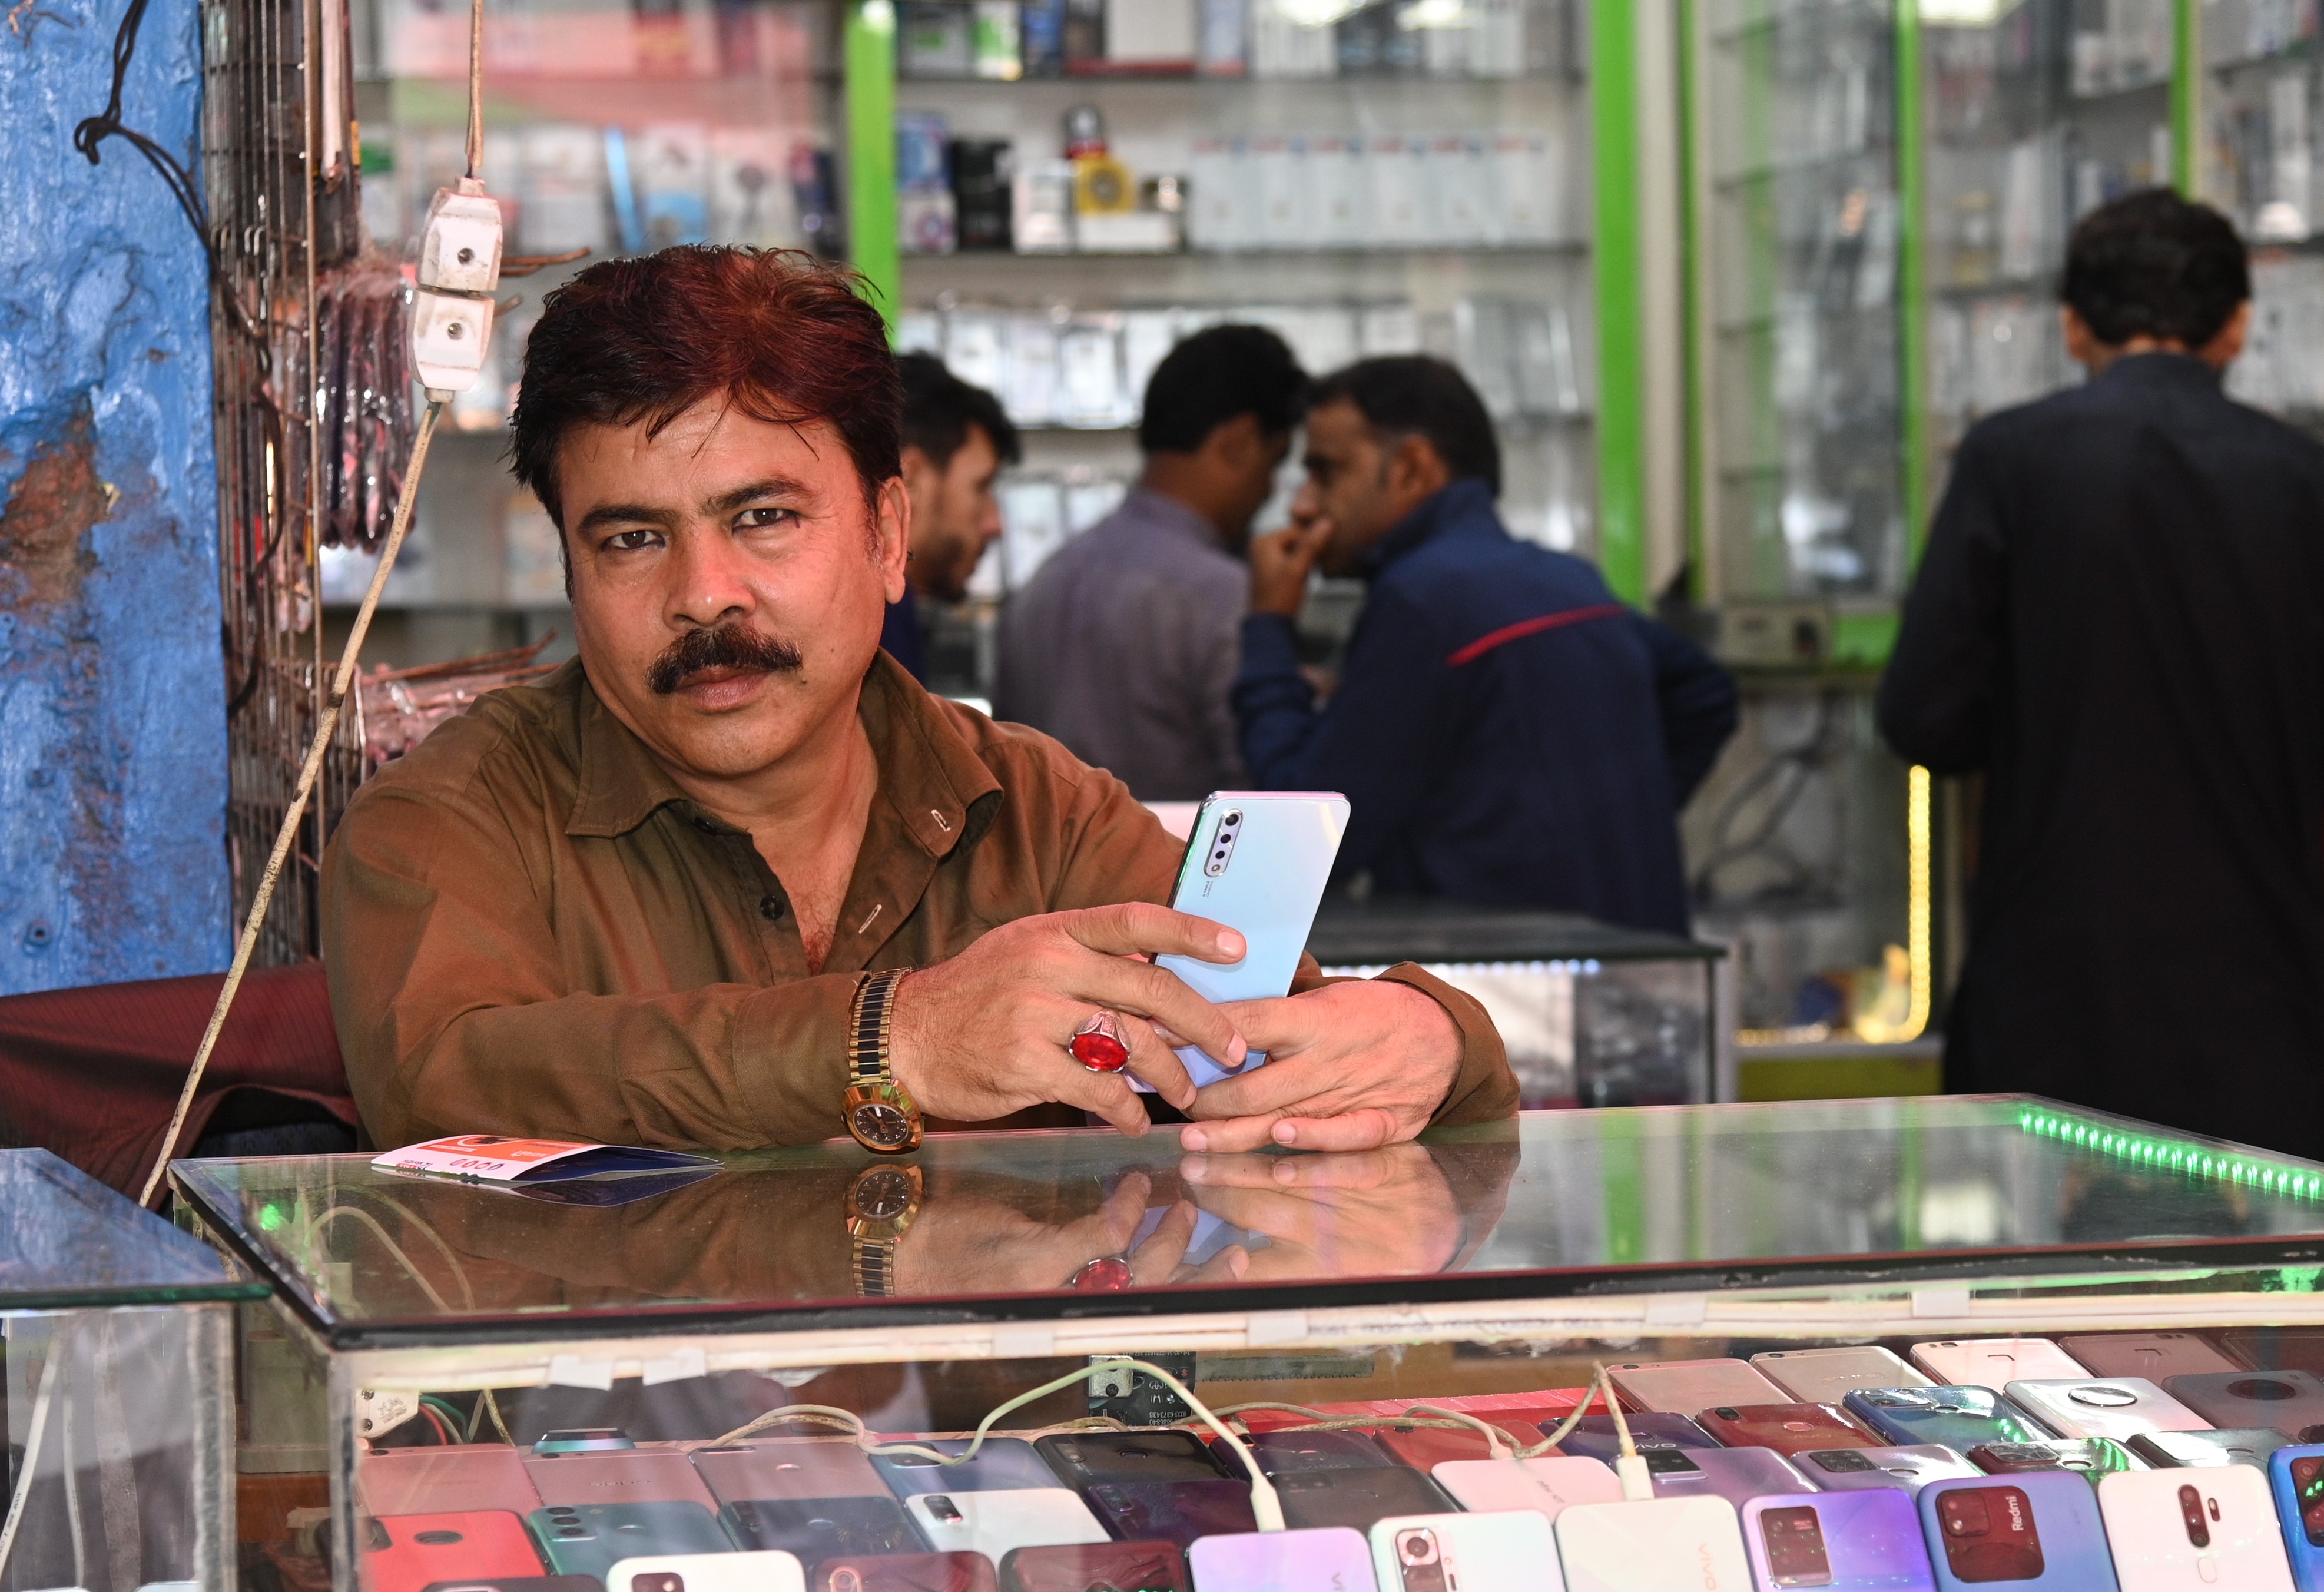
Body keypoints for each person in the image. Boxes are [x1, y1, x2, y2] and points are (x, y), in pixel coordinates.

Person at [320, 247, 1518, 1157]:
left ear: (889, 537)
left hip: (988, 1461)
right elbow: (443, 1079)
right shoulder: (447, 822)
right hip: (605, 1464)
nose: (704, 595)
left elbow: (1267, 1033)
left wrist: (1427, 1032)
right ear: (571, 568)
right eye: (632, 539)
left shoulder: (1036, 809)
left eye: (764, 518)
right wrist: (888, 1039)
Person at [1878, 188, 2324, 1160]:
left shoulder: (2009, 459)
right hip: (2258, 1007)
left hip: (2051, 992)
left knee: (2043, 1302)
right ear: (2237, 327)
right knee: (2246, 1296)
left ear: (2073, 325)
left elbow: (1922, 717)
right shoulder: (2315, 483)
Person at [1233, 356, 1738, 937]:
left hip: (1507, 976)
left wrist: (1269, 626)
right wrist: (1616, 828)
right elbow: (1704, 692)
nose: (1303, 505)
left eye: (1327, 472)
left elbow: (1309, 842)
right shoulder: (1567, 579)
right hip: (1631, 956)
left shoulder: (1422, 603)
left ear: (1413, 469)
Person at [992, 323, 1308, 801]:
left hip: (1045, 872)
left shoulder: (1045, 580)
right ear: (1240, 442)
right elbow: (1259, 802)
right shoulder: (1224, 594)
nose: (1270, 491)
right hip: (1181, 871)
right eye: (1275, 462)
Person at [876, 350, 1019, 685]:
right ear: (909, 481)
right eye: (980, 488)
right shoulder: (874, 626)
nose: (996, 525)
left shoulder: (891, 611)